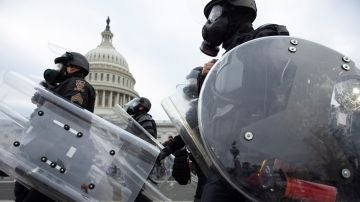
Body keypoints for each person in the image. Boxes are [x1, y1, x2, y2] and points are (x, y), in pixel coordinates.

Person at [158, 0, 289, 201]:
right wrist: (205, 80)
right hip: (224, 161)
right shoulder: (220, 67)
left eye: (215, 14)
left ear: (236, 13)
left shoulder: (263, 42)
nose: (211, 23)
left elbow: (276, 93)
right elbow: (203, 117)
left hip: (258, 158)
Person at [14, 51, 96, 202]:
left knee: (37, 196)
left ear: (72, 68)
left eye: (62, 66)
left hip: (54, 152)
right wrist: (46, 96)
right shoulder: (65, 85)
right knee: (22, 190)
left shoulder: (77, 84)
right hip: (46, 149)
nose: (59, 69)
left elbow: (68, 119)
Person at [125, 97, 157, 202]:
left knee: (135, 192)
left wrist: (137, 156)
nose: (132, 105)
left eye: (135, 104)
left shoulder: (144, 119)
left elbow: (146, 142)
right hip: (133, 159)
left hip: (139, 160)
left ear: (141, 107)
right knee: (132, 191)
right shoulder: (136, 119)